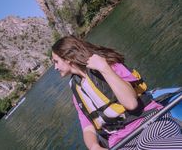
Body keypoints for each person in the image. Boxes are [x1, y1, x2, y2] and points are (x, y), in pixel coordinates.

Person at [51, 36, 182, 150]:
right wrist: (94, 146)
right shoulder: (77, 94)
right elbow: (88, 128)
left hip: (150, 121)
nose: (55, 67)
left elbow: (131, 103)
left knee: (146, 145)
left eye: (56, 61)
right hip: (121, 141)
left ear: (67, 58)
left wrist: (104, 68)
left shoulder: (110, 65)